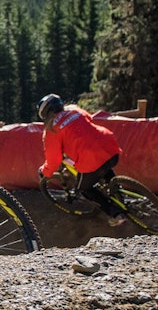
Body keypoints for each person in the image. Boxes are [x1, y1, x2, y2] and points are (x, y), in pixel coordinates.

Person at [36, 93, 128, 227]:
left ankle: (115, 214)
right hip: (110, 147)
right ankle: (119, 194)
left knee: (84, 188)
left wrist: (45, 173)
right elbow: (86, 123)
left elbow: (54, 160)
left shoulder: (51, 130)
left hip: (90, 159)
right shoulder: (75, 110)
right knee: (103, 166)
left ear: (45, 114)